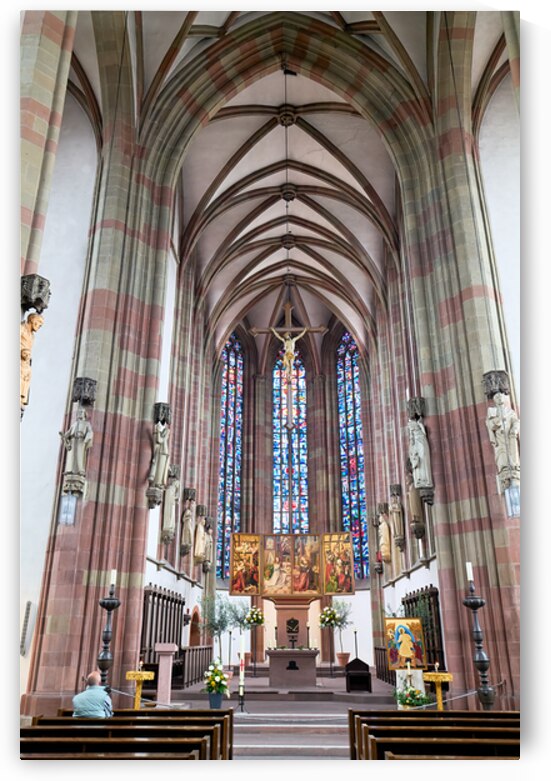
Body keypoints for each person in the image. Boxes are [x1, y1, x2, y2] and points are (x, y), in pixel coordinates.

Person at [486, 392, 520, 487]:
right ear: (494, 400)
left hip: (510, 437)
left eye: (501, 396)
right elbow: (490, 424)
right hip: (500, 438)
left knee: (513, 457)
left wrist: (514, 429)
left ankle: (514, 473)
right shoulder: (492, 411)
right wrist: (498, 421)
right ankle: (504, 475)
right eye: (497, 397)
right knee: (502, 457)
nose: (499, 398)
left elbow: (516, 422)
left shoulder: (510, 411)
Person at [20, 312, 44, 409]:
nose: (39, 326)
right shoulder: (21, 328)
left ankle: (21, 398)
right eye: (38, 322)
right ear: (32, 320)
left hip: (25, 361)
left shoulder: (32, 336)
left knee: (27, 373)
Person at [60, 408, 94, 476]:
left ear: (84, 415)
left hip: (80, 440)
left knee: (79, 455)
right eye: (79, 412)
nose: (80, 413)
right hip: (73, 440)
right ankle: (69, 470)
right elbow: (69, 432)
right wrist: (64, 436)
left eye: (82, 412)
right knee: (71, 456)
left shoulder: (86, 424)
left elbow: (90, 432)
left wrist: (86, 439)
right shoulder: (74, 424)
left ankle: (80, 470)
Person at [407, 417, 433, 488]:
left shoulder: (419, 423)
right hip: (416, 443)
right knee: (417, 462)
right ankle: (419, 480)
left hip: (421, 441)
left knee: (424, 459)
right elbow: (411, 438)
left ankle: (426, 480)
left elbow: (424, 432)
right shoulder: (410, 426)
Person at [148, 421, 170, 488]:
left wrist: (157, 431)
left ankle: (158, 483)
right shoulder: (162, 431)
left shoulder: (167, 431)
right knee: (158, 467)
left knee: (161, 468)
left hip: (163, 451)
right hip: (160, 451)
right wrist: (157, 431)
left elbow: (159, 440)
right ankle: (156, 483)